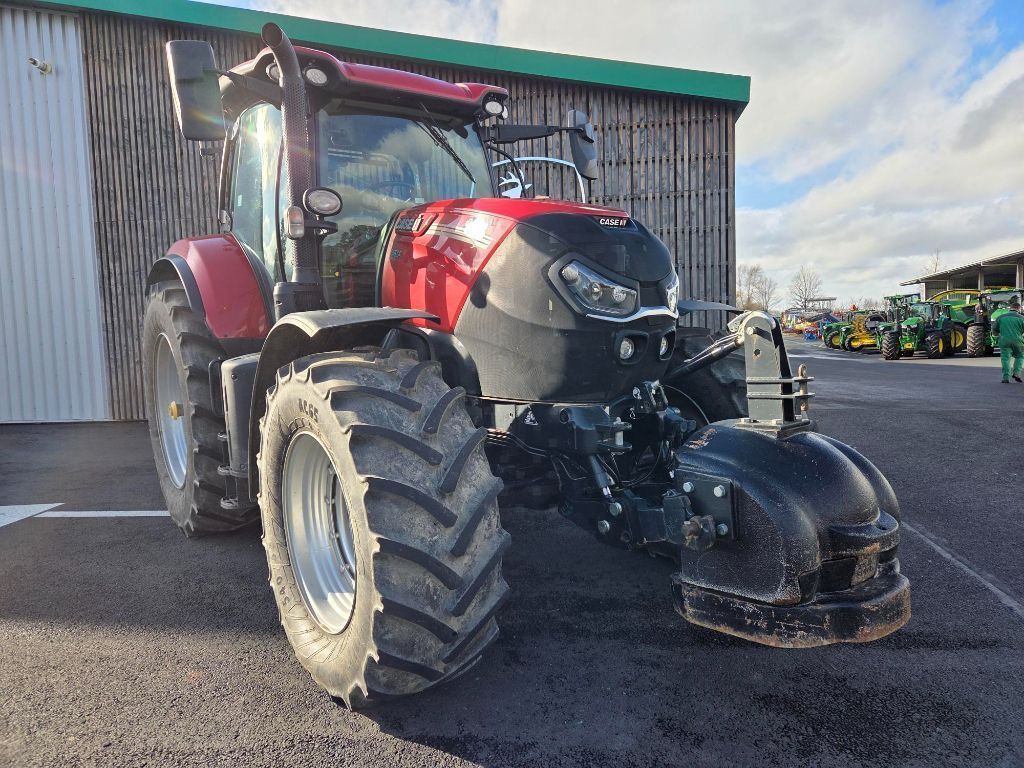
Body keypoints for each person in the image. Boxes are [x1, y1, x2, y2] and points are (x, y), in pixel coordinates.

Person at [993, 296, 1024, 383]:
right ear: (1019, 308)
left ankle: (1006, 378)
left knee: (1005, 359)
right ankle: (1016, 373)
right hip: (1018, 341)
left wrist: (998, 335)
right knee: (1020, 356)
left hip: (1004, 341)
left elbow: (994, 330)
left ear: (1010, 308)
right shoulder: (1022, 318)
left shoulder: (1000, 317)